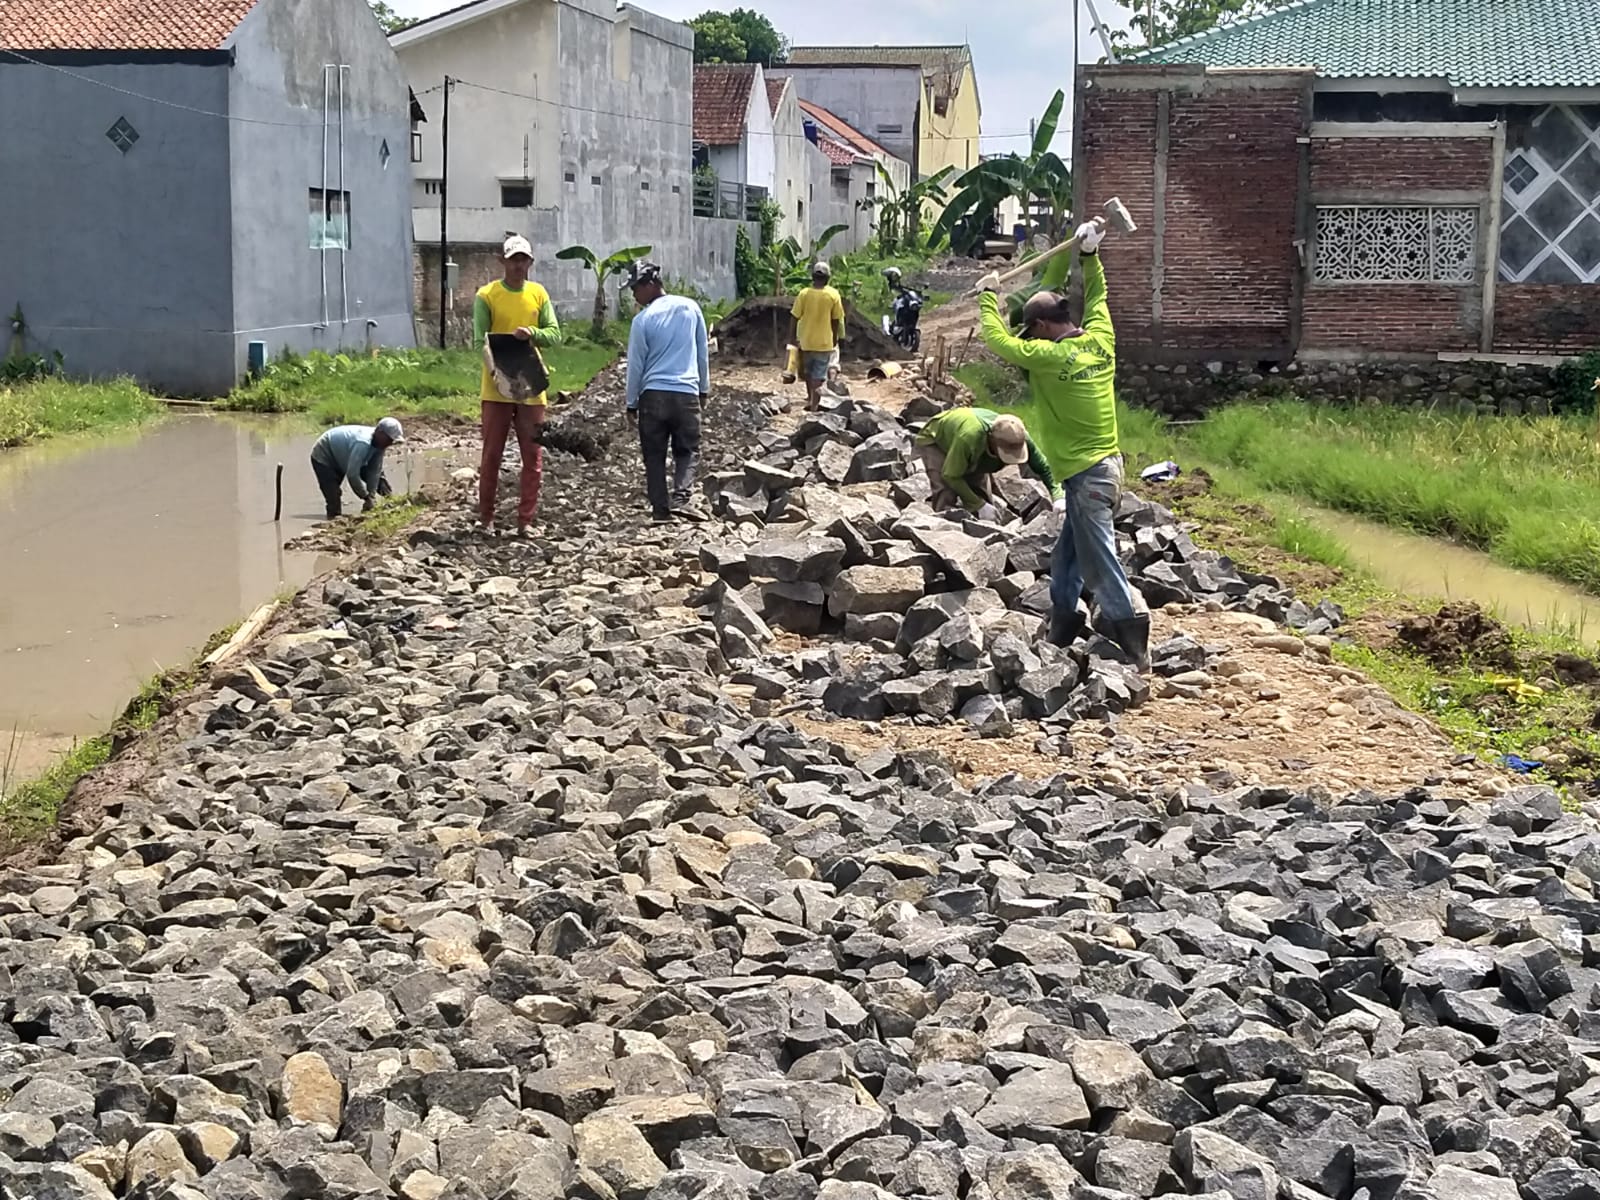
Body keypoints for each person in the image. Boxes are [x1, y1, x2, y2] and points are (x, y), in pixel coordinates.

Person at [975, 216, 1150, 670]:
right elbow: (1099, 297)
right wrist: (1090, 255)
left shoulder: (1048, 357)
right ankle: (1062, 624)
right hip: (1105, 469)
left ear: (1043, 329)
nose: (1028, 338)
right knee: (1067, 555)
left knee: (1100, 562)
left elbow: (996, 338)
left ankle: (1134, 640)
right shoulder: (1101, 339)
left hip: (1088, 477)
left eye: (1031, 329)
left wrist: (988, 298)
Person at [475, 233, 562, 536]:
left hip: (530, 382)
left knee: (533, 457)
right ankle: (486, 517)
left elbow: (554, 333)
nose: (518, 265)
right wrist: (496, 375)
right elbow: (480, 341)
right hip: (497, 385)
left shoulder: (538, 294)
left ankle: (525, 520)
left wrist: (533, 333)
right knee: (491, 455)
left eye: (523, 260)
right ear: (503, 262)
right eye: (513, 260)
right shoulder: (487, 295)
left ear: (530, 263)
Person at [624, 261, 710, 523]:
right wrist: (703, 388)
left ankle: (661, 510)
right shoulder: (690, 308)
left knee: (654, 454)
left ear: (651, 284)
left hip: (653, 396)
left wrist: (631, 403)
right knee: (687, 449)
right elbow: (702, 352)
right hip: (686, 392)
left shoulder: (642, 321)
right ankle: (681, 497)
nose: (634, 294)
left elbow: (636, 365)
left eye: (636, 288)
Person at [916, 408, 1059, 520]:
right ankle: (944, 538)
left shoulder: (1019, 437)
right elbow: (950, 475)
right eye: (1005, 454)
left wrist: (1058, 496)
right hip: (935, 440)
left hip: (972, 448)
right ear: (991, 441)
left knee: (982, 498)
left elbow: (1044, 468)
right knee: (946, 492)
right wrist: (978, 505)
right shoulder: (969, 437)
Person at [310, 418, 403, 519]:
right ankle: (333, 518)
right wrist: (365, 497)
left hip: (345, 454)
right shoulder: (362, 443)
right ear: (379, 432)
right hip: (324, 455)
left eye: (392, 440)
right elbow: (352, 475)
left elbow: (374, 471)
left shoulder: (380, 445)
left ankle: (391, 502)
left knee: (380, 480)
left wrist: (371, 495)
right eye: (389, 439)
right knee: (333, 493)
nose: (390, 443)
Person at [791, 261, 845, 411]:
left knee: (808, 374)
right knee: (819, 376)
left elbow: (794, 317)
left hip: (806, 341)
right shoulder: (833, 295)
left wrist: (791, 338)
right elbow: (836, 320)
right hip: (824, 343)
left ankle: (811, 400)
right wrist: (835, 338)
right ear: (828, 278)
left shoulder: (804, 294)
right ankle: (815, 404)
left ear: (812, 277)